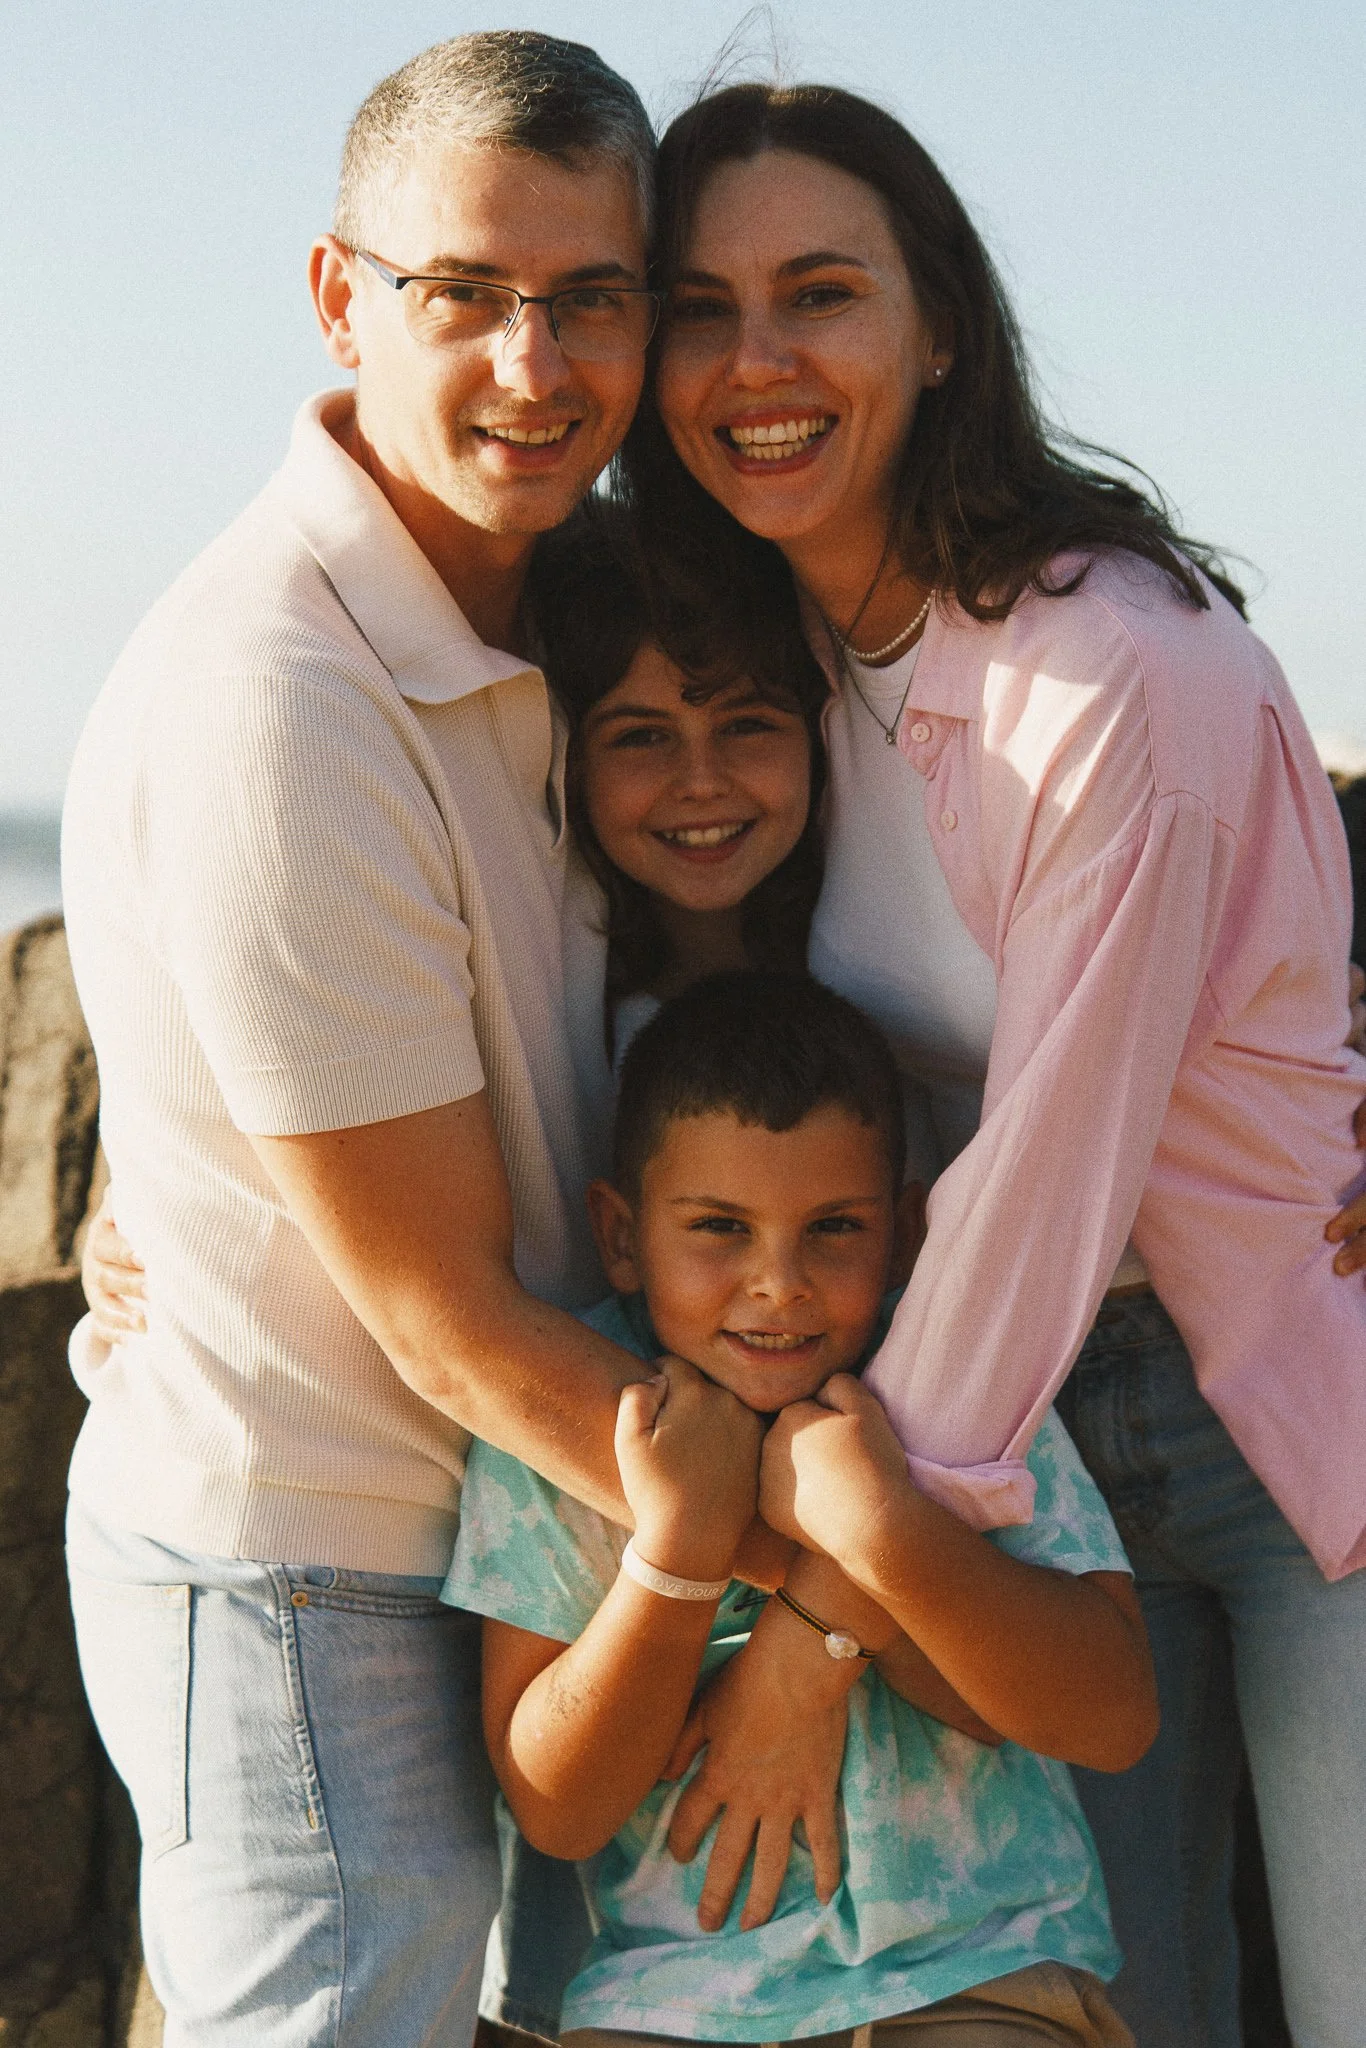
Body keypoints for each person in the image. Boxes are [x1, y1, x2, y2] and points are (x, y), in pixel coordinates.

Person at [612, 81, 1366, 2048]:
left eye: (818, 293)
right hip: (1020, 1456)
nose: (754, 362)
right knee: (1140, 2016)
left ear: (936, 324)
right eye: (696, 306)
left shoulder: (1106, 663)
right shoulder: (761, 667)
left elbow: (1039, 1163)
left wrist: (827, 1623)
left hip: (1273, 1418)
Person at [58, 33, 794, 2046]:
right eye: (461, 295)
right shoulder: (279, 691)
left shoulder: (562, 613)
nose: (532, 367)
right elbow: (448, 1317)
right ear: (338, 299)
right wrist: (827, 1568)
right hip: (312, 1568)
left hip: (479, 1548)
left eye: (589, 298)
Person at [447, 969, 1149, 2048]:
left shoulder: (952, 1387)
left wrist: (883, 1529)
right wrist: (676, 1551)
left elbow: (1110, 1716)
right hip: (669, 2001)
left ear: (905, 1234)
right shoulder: (569, 1431)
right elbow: (558, 1806)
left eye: (832, 1227)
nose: (778, 1283)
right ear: (623, 1232)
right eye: (720, 1225)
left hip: (980, 1970)